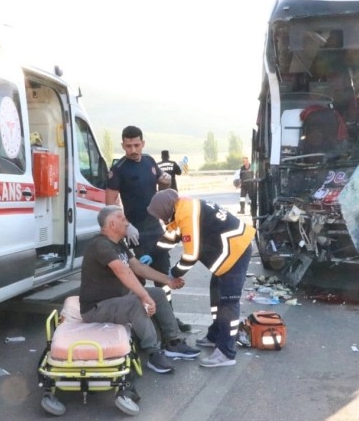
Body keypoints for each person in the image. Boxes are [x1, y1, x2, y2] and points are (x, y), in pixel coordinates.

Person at [80, 205, 200, 374]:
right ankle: (153, 352)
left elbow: (137, 267)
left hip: (117, 300)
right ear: (112, 224)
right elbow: (123, 271)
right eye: (122, 218)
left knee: (157, 294)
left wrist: (168, 280)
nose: (127, 222)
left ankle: (172, 342)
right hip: (96, 308)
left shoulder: (118, 243)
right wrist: (144, 296)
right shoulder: (100, 245)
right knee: (137, 302)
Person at [147, 189, 255, 368]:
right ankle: (215, 335)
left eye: (159, 215)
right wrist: (152, 254)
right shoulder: (181, 209)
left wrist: (174, 274)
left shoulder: (187, 214)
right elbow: (170, 237)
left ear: (166, 209)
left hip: (236, 251)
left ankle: (226, 353)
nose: (159, 219)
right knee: (216, 296)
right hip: (229, 252)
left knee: (228, 303)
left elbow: (191, 255)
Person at [105, 125, 191, 332]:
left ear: (143, 143)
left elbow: (162, 179)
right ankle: (146, 321)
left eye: (136, 145)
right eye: (128, 146)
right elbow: (109, 204)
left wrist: (165, 179)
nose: (133, 150)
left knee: (164, 275)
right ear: (123, 145)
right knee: (141, 278)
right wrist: (126, 226)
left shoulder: (150, 161)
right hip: (136, 232)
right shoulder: (118, 169)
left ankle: (167, 317)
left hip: (156, 227)